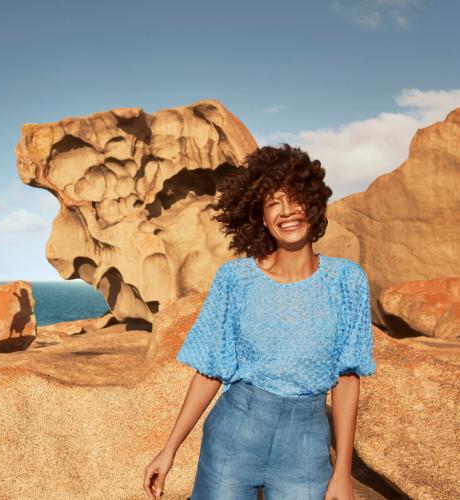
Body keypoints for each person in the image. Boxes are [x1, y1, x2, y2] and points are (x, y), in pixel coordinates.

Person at [142, 144, 377, 500]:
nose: (287, 211)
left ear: (312, 204)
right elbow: (211, 369)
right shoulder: (235, 279)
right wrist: (170, 448)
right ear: (261, 217)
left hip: (306, 448)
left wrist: (342, 472)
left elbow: (347, 378)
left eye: (295, 198)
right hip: (234, 439)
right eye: (273, 203)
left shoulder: (348, 281)